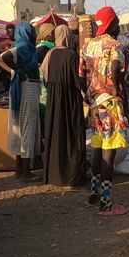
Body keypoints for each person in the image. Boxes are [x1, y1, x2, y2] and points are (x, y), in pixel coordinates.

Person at [81, 6, 129, 215]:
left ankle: (94, 193)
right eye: (117, 23)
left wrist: (87, 93)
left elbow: (81, 72)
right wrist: (116, 87)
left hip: (93, 104)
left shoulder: (87, 46)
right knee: (110, 151)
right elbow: (118, 66)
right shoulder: (115, 45)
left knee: (99, 148)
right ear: (111, 24)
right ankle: (107, 203)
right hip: (110, 101)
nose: (118, 26)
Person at [42, 25, 86, 188]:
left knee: (55, 134)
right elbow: (77, 80)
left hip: (54, 101)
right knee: (71, 134)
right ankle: (72, 175)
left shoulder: (50, 54)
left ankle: (54, 175)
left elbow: (45, 76)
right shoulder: (71, 55)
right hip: (69, 100)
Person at [0, 23, 42, 179]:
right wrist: (18, 70)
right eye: (33, 32)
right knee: (27, 127)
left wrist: (14, 71)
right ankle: (25, 172)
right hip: (27, 89)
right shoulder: (23, 46)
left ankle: (19, 169)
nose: (35, 34)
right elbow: (4, 57)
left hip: (23, 88)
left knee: (18, 127)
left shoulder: (22, 46)